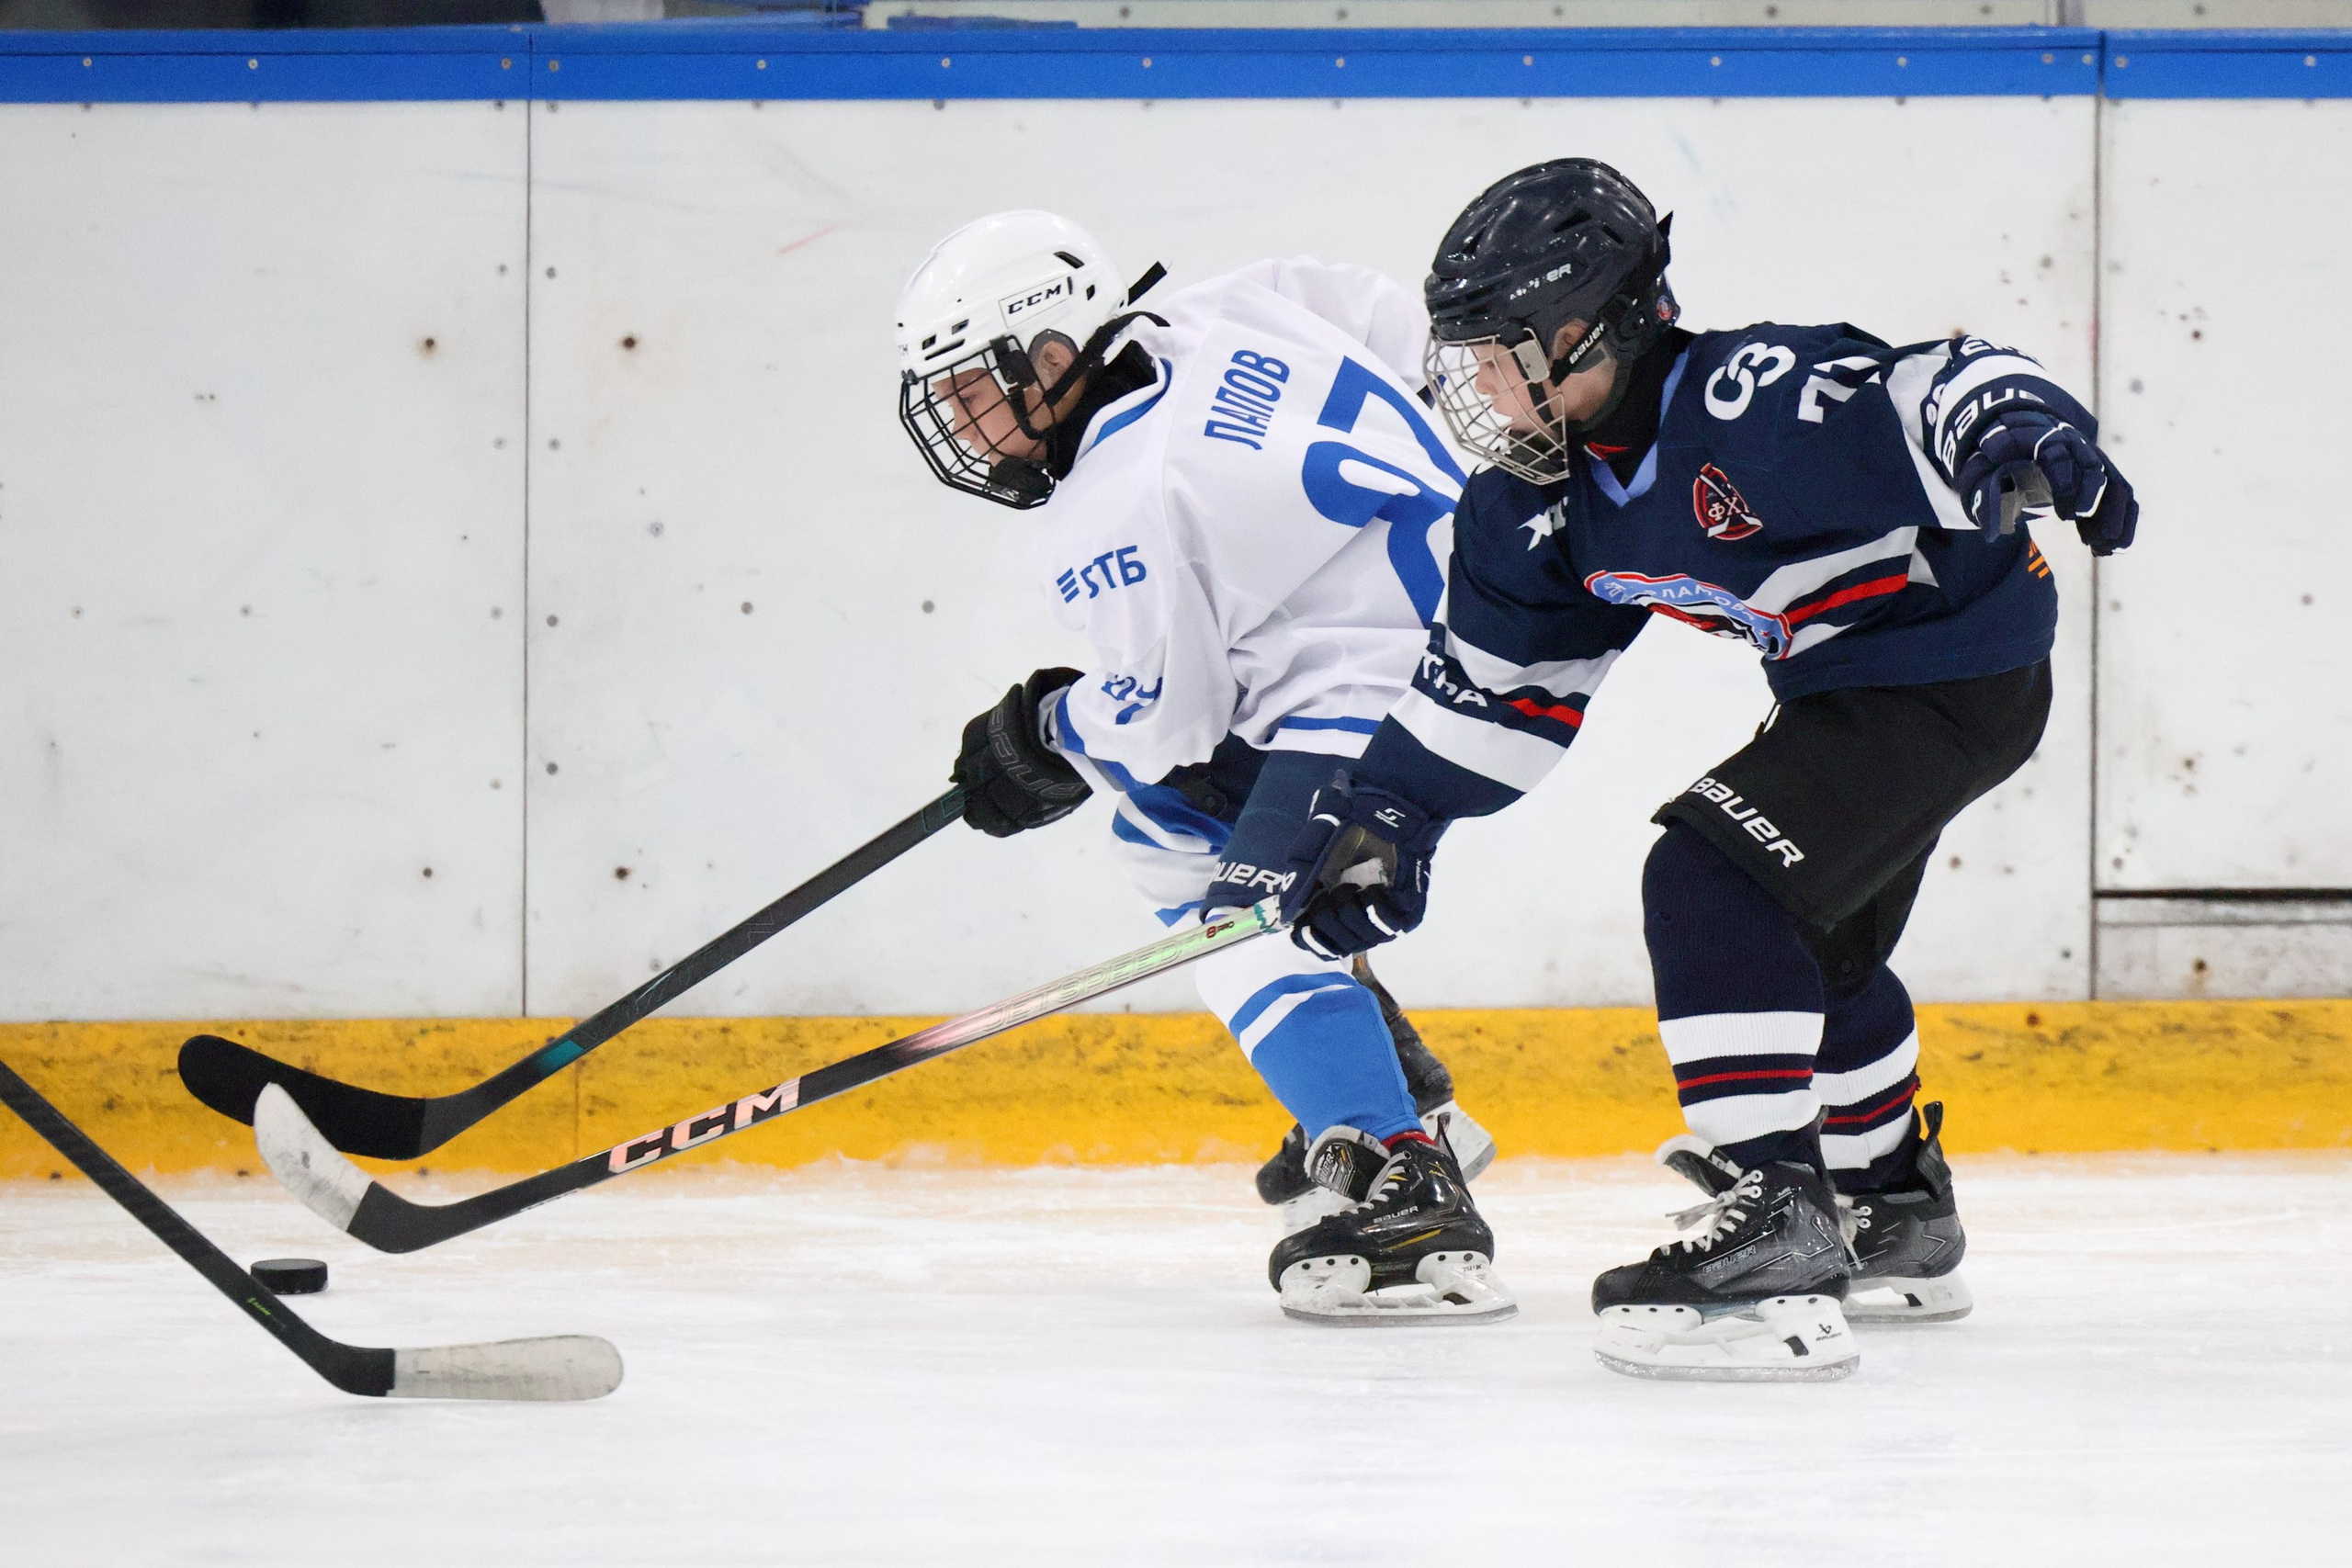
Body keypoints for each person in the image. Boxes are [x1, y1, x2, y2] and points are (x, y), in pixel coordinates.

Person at [1280, 160, 2138, 1379]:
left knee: (1711, 881)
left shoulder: (1750, 399)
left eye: (1499, 351)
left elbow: (1935, 383)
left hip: (1961, 669)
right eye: (1465, 355)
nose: (1476, 384)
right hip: (1847, 688)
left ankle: (1780, 1208)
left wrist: (2025, 427)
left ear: (1595, 325)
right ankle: (1895, 1202)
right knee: (1812, 947)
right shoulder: (1540, 507)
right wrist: (1391, 816)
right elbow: (1499, 690)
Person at [893, 210, 1511, 1325]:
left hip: (1374, 708)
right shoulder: (1223, 308)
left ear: (1049, 357)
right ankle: (1388, 1086)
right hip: (1454, 649)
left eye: (973, 391)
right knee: (1164, 832)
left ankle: (1401, 1183)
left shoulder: (1115, 504)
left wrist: (1049, 729)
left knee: (1237, 934)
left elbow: (1166, 719)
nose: (964, 426)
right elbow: (1380, 318)